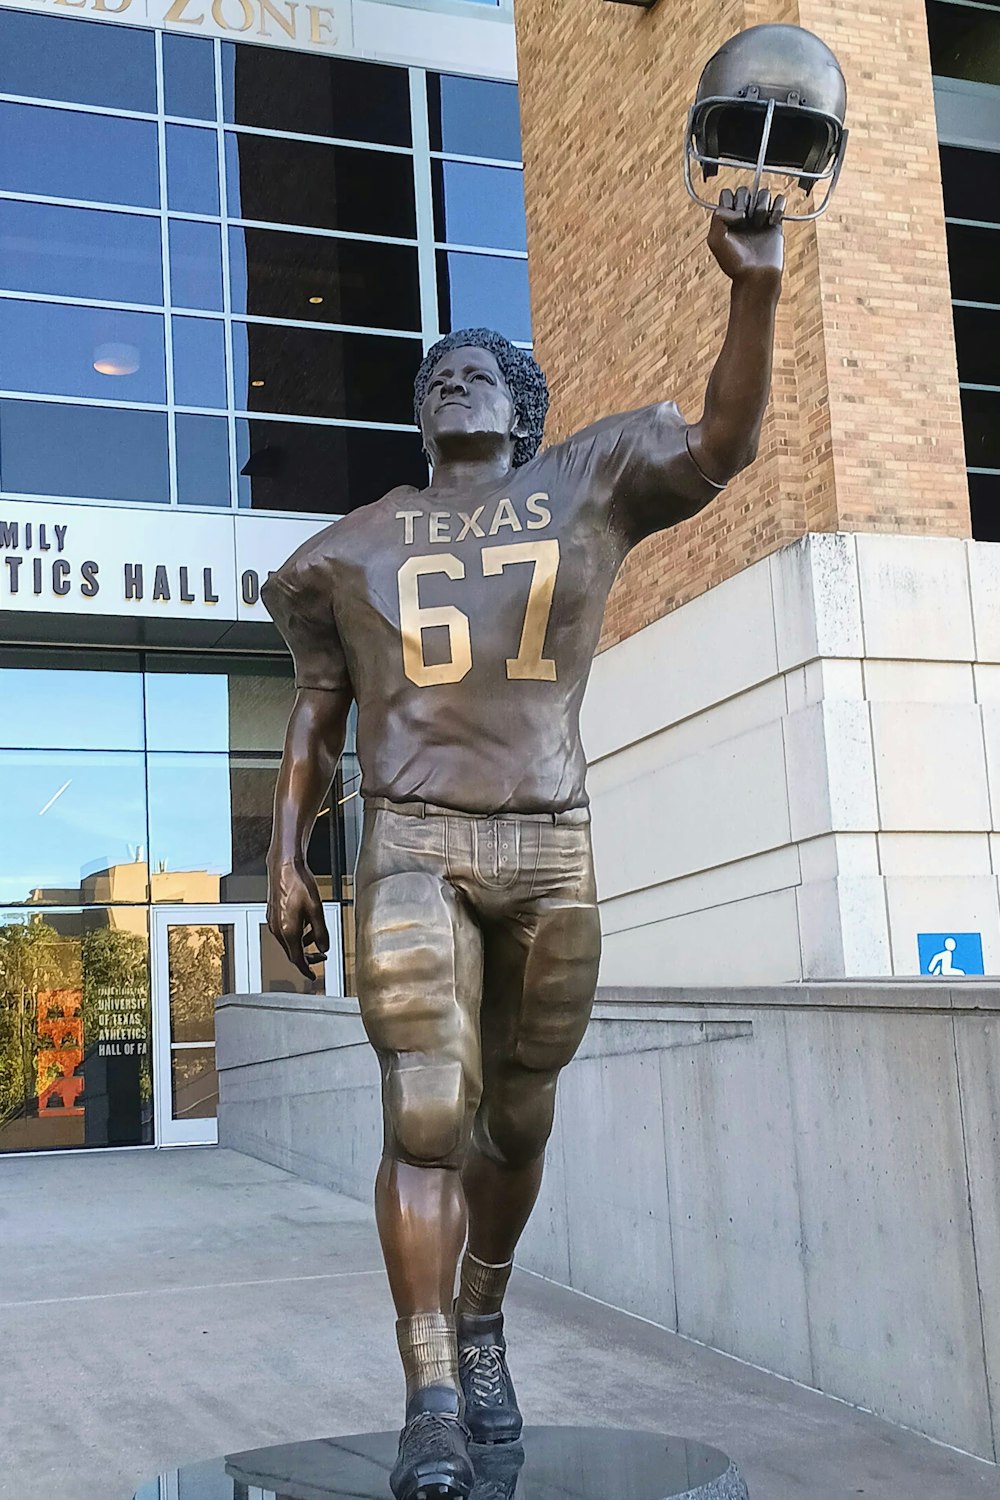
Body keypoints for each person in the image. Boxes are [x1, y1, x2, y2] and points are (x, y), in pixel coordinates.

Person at [263, 184, 785, 1500]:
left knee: (521, 1115)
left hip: (553, 843)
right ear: (419, 410)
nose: (454, 376)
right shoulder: (347, 551)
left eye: (479, 366)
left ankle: (481, 1316)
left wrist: (755, 285)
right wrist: (283, 861)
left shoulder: (588, 482)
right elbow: (317, 714)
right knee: (428, 1111)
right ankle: (431, 1383)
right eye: (437, 370)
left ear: (522, 400)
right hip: (416, 843)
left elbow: (725, 439)